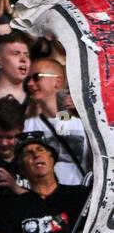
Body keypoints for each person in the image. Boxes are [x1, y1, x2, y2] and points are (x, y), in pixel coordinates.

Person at [0, 137, 87, 233]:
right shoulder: (11, 208)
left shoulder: (80, 195)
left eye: (40, 150)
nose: (36, 154)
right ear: (22, 170)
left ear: (52, 159)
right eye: (28, 153)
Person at [24, 57, 88, 185]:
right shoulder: (27, 125)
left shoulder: (84, 121)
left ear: (58, 82)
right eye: (28, 79)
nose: (30, 83)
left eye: (37, 77)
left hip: (83, 196)